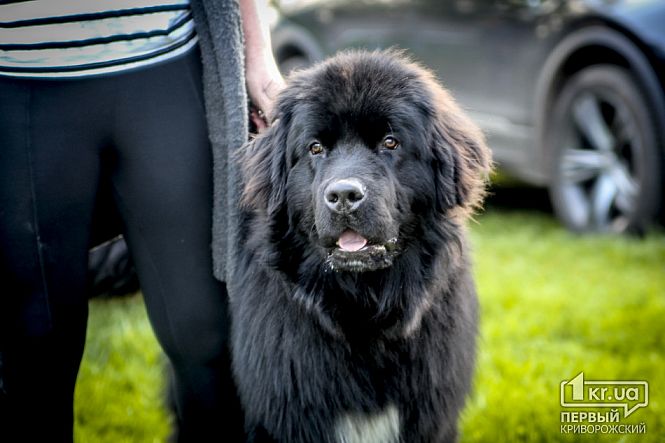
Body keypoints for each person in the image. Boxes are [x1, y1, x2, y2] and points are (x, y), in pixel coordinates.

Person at [0, 0, 285, 441]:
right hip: (20, 84)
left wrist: (258, 53)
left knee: (209, 337)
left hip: (165, 68)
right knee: (35, 354)